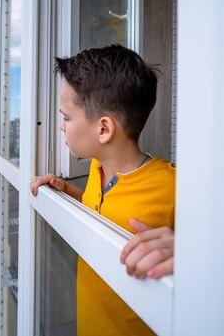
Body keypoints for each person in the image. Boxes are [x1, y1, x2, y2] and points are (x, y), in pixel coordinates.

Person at [29, 44, 175, 336]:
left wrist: (186, 253)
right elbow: (102, 208)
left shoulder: (173, 188)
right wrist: (65, 190)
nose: (61, 126)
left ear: (104, 129)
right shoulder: (98, 169)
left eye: (67, 117)